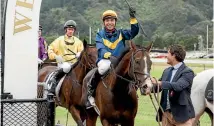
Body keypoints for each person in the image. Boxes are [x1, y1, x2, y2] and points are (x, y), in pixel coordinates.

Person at [86, 7, 139, 108]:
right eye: (107, 20)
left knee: (132, 70)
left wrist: (133, 18)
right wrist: (110, 56)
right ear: (104, 22)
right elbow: (100, 49)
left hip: (119, 62)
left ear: (115, 22)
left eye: (112, 20)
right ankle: (91, 93)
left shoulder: (121, 33)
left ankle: (134, 92)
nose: (109, 22)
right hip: (105, 60)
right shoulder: (99, 34)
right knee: (102, 69)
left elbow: (134, 32)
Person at [151, 45, 195, 126]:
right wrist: (149, 86)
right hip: (166, 114)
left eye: (168, 53)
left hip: (182, 116)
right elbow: (159, 87)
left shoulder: (188, 72)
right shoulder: (167, 71)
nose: (166, 56)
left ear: (174, 55)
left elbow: (178, 86)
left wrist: (160, 83)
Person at [47, 20, 84, 93]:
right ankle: (54, 79)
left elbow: (82, 52)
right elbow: (50, 49)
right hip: (63, 63)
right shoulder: (59, 40)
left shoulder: (78, 42)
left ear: (74, 31)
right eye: (69, 29)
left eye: (72, 30)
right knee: (67, 67)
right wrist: (56, 56)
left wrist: (80, 54)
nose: (70, 31)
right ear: (65, 30)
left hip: (75, 64)